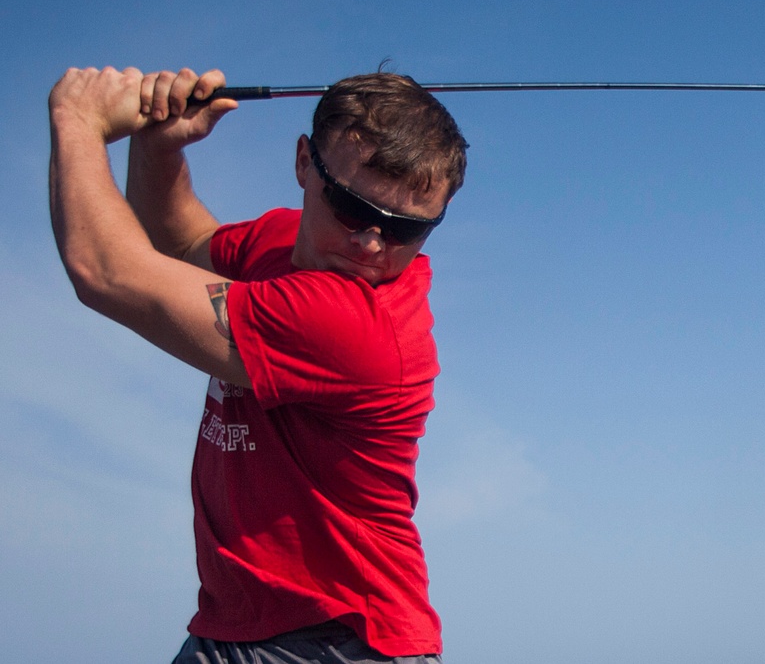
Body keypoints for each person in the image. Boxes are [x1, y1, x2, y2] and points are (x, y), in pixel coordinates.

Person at [48, 65, 468, 663]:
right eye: (351, 208)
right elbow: (180, 243)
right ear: (304, 163)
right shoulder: (281, 244)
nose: (372, 244)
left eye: (407, 228)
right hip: (238, 626)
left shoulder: (352, 323)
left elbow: (106, 274)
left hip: (341, 642)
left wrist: (78, 119)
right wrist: (159, 147)